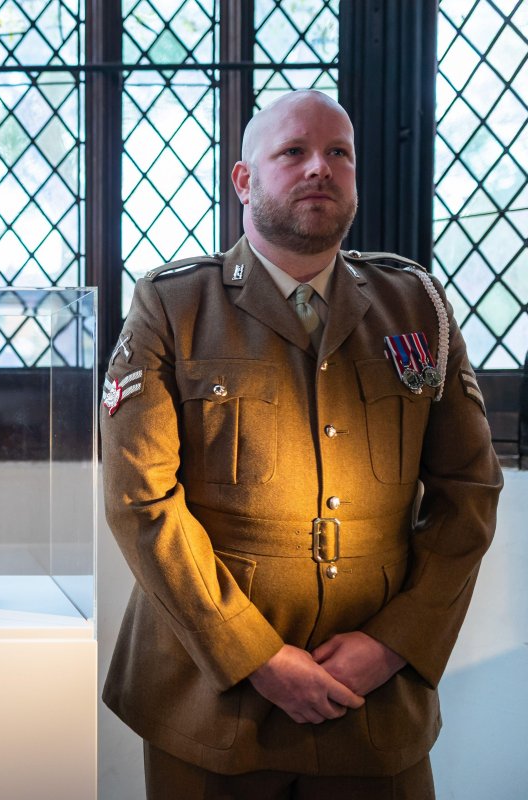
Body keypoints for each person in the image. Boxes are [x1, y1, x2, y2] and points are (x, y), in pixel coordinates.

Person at [101, 89, 502, 798]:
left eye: (338, 153)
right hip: (212, 704)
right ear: (244, 180)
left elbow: (468, 494)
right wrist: (254, 655)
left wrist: (393, 644)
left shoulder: (417, 305)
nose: (320, 167)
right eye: (293, 152)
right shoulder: (174, 305)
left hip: (373, 705)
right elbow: (142, 502)